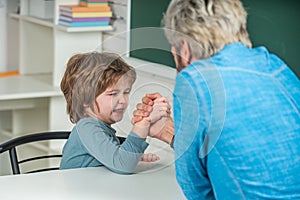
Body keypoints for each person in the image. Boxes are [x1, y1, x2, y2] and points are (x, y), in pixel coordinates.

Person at [132, 0, 300, 199]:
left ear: (184, 48)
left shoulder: (195, 79)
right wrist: (171, 133)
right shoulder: (275, 66)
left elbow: (196, 189)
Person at [59, 52, 170, 174]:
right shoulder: (87, 127)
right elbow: (122, 165)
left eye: (126, 92)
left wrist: (135, 157)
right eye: (113, 94)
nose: (122, 101)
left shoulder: (101, 128)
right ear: (85, 99)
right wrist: (142, 124)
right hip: (76, 192)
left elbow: (112, 158)